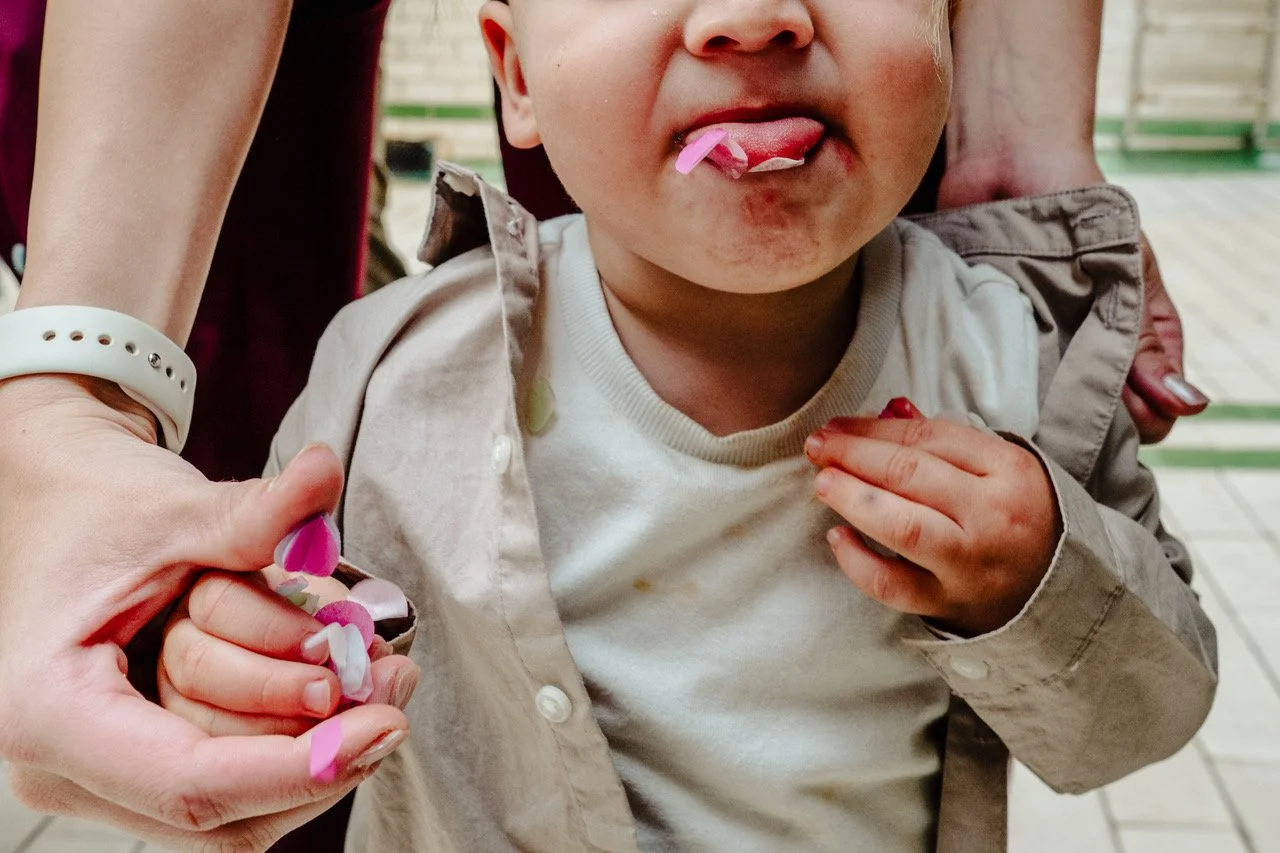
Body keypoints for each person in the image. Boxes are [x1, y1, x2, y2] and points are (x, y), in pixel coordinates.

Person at [0, 0, 1208, 850]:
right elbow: (273, 644)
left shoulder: (1007, 361)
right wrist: (226, 671)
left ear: (952, 24)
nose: (751, 18)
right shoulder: (383, 372)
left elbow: (1139, 718)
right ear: (513, 75)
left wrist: (1040, 577)